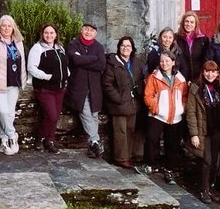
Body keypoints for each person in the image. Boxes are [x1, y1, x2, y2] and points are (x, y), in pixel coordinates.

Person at [186, 60, 220, 203]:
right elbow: (191, 112)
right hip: (202, 130)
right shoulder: (195, 88)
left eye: (213, 71)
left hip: (217, 130)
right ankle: (203, 190)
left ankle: (210, 187)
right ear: (203, 72)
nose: (210, 74)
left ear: (218, 73)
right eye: (207, 71)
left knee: (214, 162)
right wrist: (194, 134)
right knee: (206, 161)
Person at [144, 50, 188, 183]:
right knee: (152, 139)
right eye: (162, 61)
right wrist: (156, 109)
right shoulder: (154, 77)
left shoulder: (180, 79)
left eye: (167, 61)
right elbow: (148, 95)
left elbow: (185, 96)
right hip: (158, 115)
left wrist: (182, 108)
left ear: (173, 62)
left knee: (172, 144)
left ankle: (169, 169)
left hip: (175, 116)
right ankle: (149, 164)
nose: (164, 63)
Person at [66, 22, 107, 158]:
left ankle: (92, 146)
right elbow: (75, 60)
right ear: (82, 30)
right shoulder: (73, 44)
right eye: (86, 29)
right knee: (85, 112)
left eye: (91, 30)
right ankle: (95, 140)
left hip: (94, 87)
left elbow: (101, 64)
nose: (88, 32)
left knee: (94, 114)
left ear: (95, 33)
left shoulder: (98, 47)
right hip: (79, 87)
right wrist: (93, 59)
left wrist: (84, 60)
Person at [102, 36, 144, 169]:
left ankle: (129, 155)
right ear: (119, 47)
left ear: (132, 49)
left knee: (131, 130)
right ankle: (121, 158)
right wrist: (118, 98)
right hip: (119, 103)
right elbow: (107, 84)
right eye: (123, 46)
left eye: (128, 46)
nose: (125, 48)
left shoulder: (137, 63)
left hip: (133, 103)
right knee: (120, 131)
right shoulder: (113, 63)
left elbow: (141, 80)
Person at [27, 23, 69, 153]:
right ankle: (40, 138)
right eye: (46, 33)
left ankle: (49, 140)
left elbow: (64, 65)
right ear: (42, 34)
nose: (49, 35)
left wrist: (67, 74)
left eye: (51, 33)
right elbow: (31, 68)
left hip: (59, 88)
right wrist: (47, 77)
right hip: (45, 88)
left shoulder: (60, 48)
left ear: (56, 34)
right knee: (51, 115)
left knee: (55, 116)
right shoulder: (37, 48)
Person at [0, 14, 25, 155]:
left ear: (13, 27)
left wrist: (23, 79)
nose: (7, 28)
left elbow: (23, 62)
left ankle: (4, 141)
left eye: (9, 26)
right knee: (2, 111)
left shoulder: (19, 42)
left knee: (9, 114)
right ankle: (12, 135)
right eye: (4, 25)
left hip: (14, 83)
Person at [175, 13, 208, 84]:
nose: (189, 24)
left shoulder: (203, 39)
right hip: (180, 77)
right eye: (186, 21)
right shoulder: (176, 38)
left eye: (192, 22)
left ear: (196, 24)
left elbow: (206, 59)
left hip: (198, 78)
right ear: (183, 22)